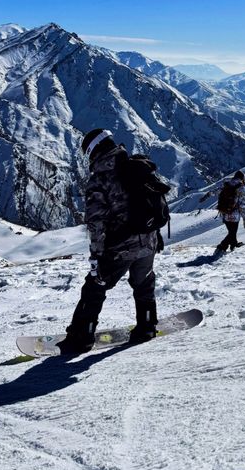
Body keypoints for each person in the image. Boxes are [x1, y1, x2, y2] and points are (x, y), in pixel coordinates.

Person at [58, 128, 169, 355]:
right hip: (148, 241)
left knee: (94, 287)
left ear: (93, 152)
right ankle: (147, 326)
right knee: (144, 282)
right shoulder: (136, 166)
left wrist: (96, 257)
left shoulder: (100, 179)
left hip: (121, 247)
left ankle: (82, 337)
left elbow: (96, 224)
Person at [216, 170, 245, 253]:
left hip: (224, 212)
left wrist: (206, 196)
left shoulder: (227, 183)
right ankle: (222, 246)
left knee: (231, 231)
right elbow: (242, 204)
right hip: (235, 214)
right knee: (232, 232)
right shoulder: (241, 186)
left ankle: (234, 244)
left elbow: (217, 191)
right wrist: (244, 218)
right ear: (242, 178)